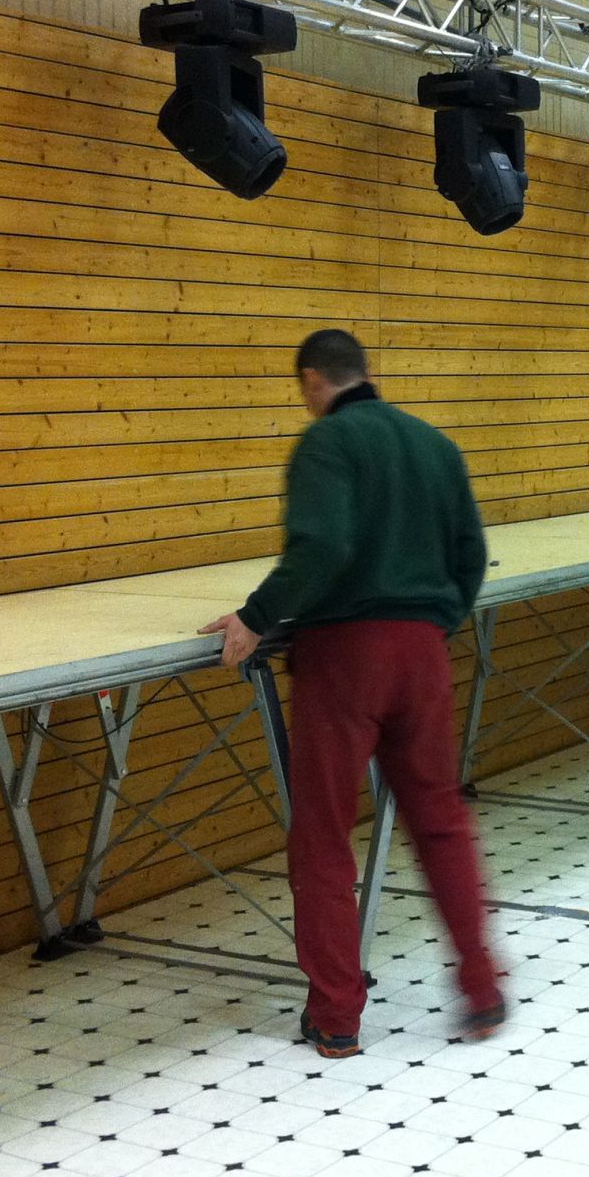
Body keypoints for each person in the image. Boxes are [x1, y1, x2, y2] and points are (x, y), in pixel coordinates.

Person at [199, 329, 502, 1059]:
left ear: (312, 381)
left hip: (343, 658)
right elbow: (471, 555)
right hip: (422, 653)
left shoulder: (325, 444)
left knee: (324, 834)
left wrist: (256, 616)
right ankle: (483, 990)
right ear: (367, 372)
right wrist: (433, 622)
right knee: (440, 820)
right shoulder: (434, 444)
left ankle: (337, 1016)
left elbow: (324, 547)